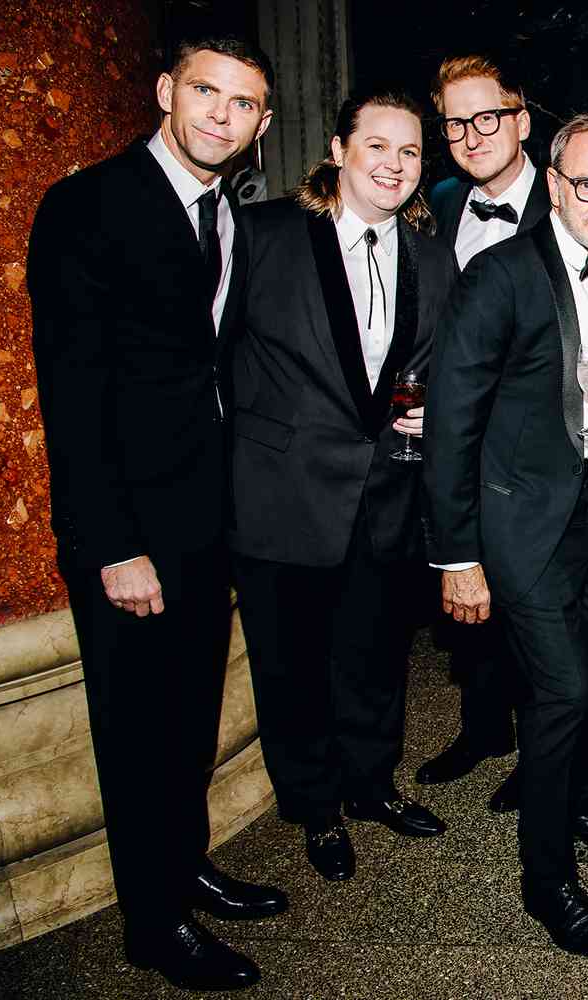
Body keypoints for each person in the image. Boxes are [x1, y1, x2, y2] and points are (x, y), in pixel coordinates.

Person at [26, 35, 285, 992]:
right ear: (167, 90)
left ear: (262, 124)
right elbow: (72, 388)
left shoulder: (223, 209)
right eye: (208, 92)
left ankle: (184, 867)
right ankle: (151, 921)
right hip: (130, 528)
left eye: (246, 103)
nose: (223, 114)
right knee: (138, 729)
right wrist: (113, 544)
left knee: (187, 715)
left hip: (201, 514)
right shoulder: (89, 203)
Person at [425, 113, 588, 959]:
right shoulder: (500, 276)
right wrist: (458, 556)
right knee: (563, 692)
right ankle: (546, 879)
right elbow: (451, 423)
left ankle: (570, 795)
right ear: (555, 186)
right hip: (520, 522)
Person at [230, 90, 456, 884]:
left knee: (374, 654)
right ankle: (316, 807)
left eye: (410, 153)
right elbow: (214, 365)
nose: (394, 165)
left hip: (388, 493)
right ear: (338, 148)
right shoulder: (262, 236)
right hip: (283, 497)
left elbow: (432, 371)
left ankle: (371, 785)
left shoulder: (432, 257)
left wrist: (431, 415)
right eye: (378, 147)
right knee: (291, 666)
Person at [415, 53, 549, 803]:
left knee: (534, 604)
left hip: (533, 444)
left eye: (487, 117)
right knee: (465, 594)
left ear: (521, 119)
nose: (472, 135)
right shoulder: (437, 198)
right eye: (456, 122)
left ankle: (539, 749)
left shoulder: (565, 200)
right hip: (454, 437)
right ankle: (482, 727)